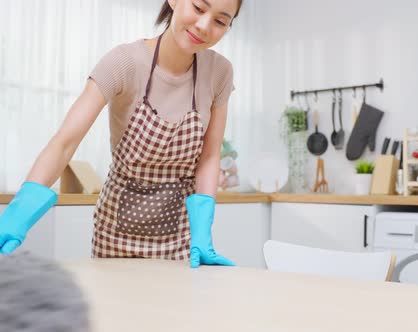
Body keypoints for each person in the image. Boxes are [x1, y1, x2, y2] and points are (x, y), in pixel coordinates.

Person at [0, 0, 242, 268]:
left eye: (220, 21)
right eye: (198, 7)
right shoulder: (123, 62)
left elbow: (209, 155)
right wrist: (19, 211)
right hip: (115, 232)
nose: (204, 25)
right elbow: (65, 142)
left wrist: (202, 233)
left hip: (180, 235)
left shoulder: (219, 72)